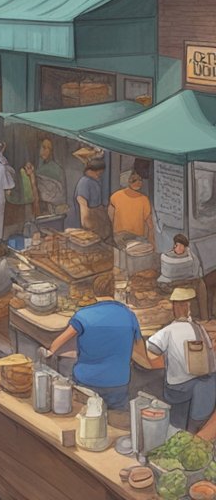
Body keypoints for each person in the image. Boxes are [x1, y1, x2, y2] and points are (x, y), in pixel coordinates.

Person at [45, 273, 145, 410]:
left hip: (87, 381)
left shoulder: (83, 315)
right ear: (114, 291)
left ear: (94, 292)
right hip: (118, 383)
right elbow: (140, 351)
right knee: (115, 422)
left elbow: (56, 346)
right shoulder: (129, 315)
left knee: (86, 420)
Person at [143, 287, 216, 431]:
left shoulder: (167, 331)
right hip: (207, 386)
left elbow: (150, 352)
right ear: (189, 308)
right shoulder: (200, 328)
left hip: (179, 390)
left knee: (150, 381)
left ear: (176, 307)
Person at [24, 137, 66, 216]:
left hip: (53, 211)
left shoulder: (57, 169)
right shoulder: (31, 168)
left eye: (49, 148)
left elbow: (60, 197)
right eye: (43, 147)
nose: (46, 151)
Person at [111, 169, 155, 243]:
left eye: (140, 180)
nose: (138, 182)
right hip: (120, 236)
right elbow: (111, 216)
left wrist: (150, 238)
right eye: (134, 180)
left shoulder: (144, 199)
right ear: (126, 181)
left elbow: (149, 222)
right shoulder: (116, 196)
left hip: (136, 237)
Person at [69, 157, 109, 236]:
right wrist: (87, 223)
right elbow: (82, 203)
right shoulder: (84, 182)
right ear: (90, 171)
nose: (99, 176)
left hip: (98, 218)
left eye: (101, 174)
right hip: (90, 219)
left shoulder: (95, 181)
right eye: (98, 173)